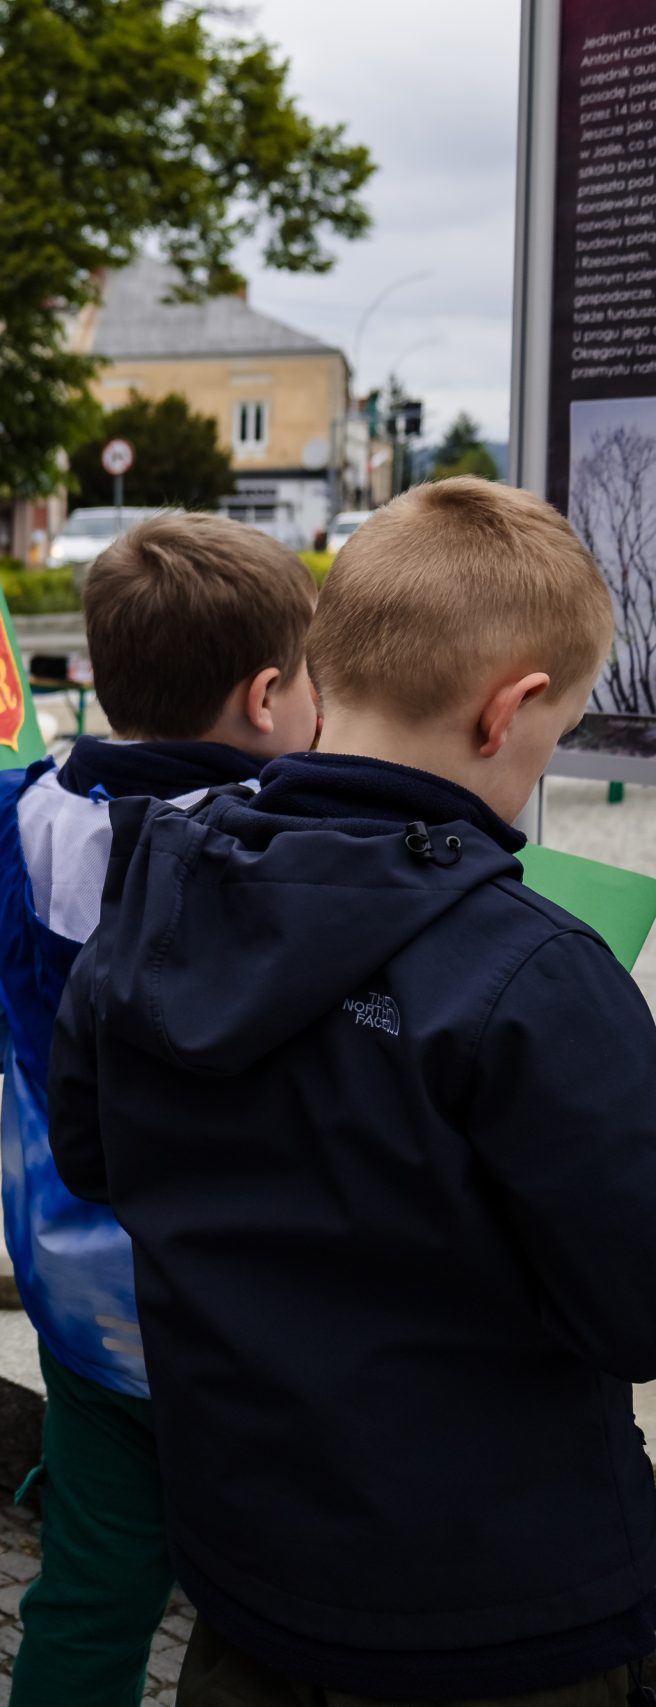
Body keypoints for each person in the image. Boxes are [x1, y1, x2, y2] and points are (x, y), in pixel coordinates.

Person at [50, 478, 656, 1705]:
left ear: (318, 675)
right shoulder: (535, 974)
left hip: (251, 1575)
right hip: (502, 1610)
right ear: (511, 711)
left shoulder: (158, 899)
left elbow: (95, 1156)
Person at [0, 513, 319, 1706]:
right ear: (265, 697)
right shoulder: (301, 848)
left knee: (91, 1589)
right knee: (286, 1601)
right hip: (261, 1317)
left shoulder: (3, 822)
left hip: (83, 1304)